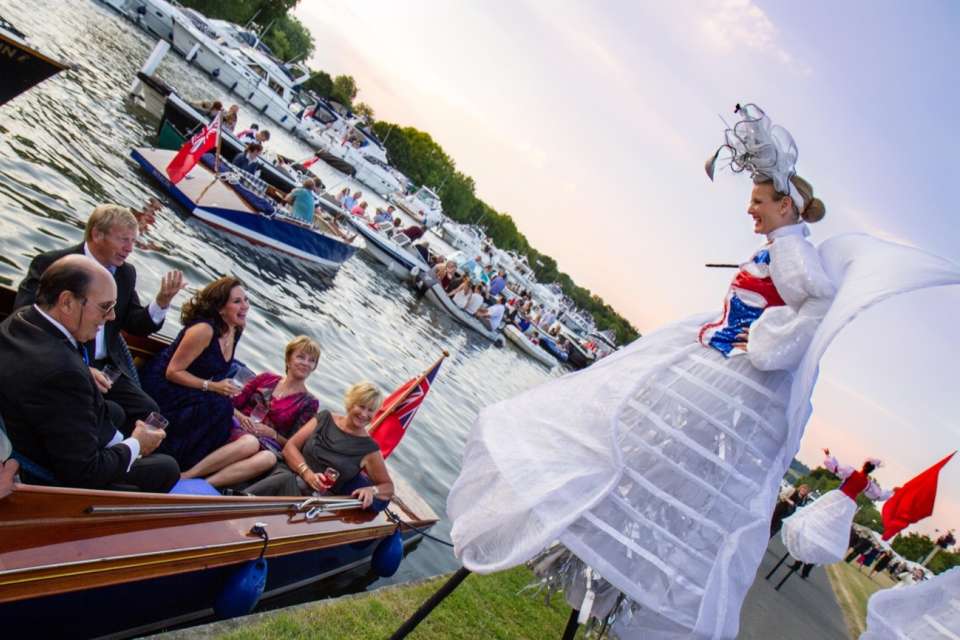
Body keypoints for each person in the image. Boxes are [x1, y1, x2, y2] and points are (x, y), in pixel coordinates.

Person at [447, 104, 844, 638]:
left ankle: (597, 563)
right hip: (711, 357)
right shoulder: (778, 249)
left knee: (644, 462)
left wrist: (768, 342)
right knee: (622, 440)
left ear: (782, 204)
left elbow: (818, 307)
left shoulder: (795, 254)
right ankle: (580, 552)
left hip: (731, 382)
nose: (750, 210)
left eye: (756, 201)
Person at [0, 255, 178, 491]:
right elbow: (85, 473)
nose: (112, 316)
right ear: (67, 302)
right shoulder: (63, 373)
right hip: (44, 468)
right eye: (106, 307)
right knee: (167, 467)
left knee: (113, 410)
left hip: (26, 422)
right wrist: (136, 444)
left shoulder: (22, 319)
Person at [15, 204, 186, 432]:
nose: (129, 249)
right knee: (107, 413)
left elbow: (135, 324)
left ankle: (123, 456)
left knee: (149, 412)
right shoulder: (52, 264)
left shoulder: (125, 273)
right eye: (124, 240)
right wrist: (77, 367)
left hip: (106, 366)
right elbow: (25, 320)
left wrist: (161, 302)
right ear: (97, 234)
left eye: (133, 241)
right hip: (61, 361)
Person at [181, 336, 321, 488]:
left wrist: (272, 434)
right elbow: (230, 403)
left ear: (314, 367)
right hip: (238, 424)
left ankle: (203, 485)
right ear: (288, 359)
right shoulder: (266, 378)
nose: (306, 363)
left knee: (268, 458)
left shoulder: (309, 402)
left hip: (267, 442)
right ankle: (188, 476)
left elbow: (293, 443)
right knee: (249, 442)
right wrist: (242, 418)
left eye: (311, 360)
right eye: (301, 357)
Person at [140, 277, 249, 470]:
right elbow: (172, 372)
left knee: (223, 407)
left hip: (193, 385)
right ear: (221, 308)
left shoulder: (236, 329)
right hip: (165, 384)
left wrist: (233, 406)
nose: (245, 306)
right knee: (217, 407)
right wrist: (212, 387)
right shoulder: (203, 330)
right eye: (237, 302)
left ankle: (188, 467)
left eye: (246, 300)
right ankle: (168, 459)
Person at [247, 382, 394, 509]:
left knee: (283, 480)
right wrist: (307, 473)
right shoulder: (325, 417)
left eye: (370, 410)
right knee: (280, 474)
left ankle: (236, 502)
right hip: (290, 469)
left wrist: (372, 490)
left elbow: (388, 487)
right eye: (361, 406)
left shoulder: (369, 448)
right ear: (351, 403)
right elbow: (290, 447)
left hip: (311, 498)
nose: (364, 414)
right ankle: (236, 501)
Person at [782, 448, 897, 565]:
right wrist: (892, 492)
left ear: (864, 465)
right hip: (848, 504)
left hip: (838, 496)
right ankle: (813, 547)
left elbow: (834, 468)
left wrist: (828, 456)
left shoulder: (851, 471)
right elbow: (878, 495)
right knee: (831, 525)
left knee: (819, 514)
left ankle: (806, 541)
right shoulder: (868, 484)